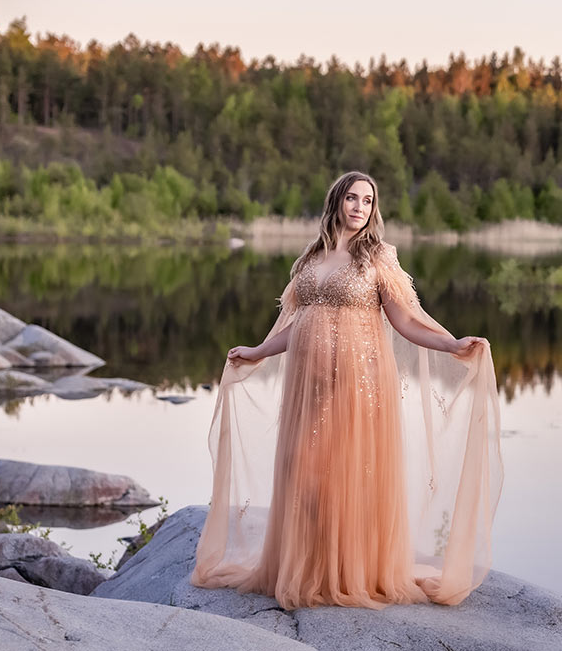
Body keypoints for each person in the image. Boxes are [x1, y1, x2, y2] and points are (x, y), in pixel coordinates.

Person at [190, 171, 504, 610]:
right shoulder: (310, 257)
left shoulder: (377, 257)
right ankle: (306, 566)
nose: (360, 207)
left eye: (369, 200)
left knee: (348, 472)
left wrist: (451, 343)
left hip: (360, 384)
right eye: (353, 198)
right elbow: (297, 322)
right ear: (336, 201)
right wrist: (258, 351)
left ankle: (347, 572)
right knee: (303, 468)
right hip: (308, 384)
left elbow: (407, 320)